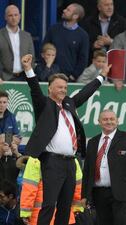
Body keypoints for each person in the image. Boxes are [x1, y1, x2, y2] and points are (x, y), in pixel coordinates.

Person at [21, 53, 109, 225]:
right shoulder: (44, 105)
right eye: (59, 87)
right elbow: (34, 89)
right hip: (52, 162)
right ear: (50, 89)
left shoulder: (69, 104)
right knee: (48, 204)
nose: (63, 90)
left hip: (71, 163)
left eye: (65, 87)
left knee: (65, 205)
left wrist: (101, 76)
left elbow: (85, 93)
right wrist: (28, 69)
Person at [82, 109, 126, 225]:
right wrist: (85, 195)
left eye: (112, 119)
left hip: (122, 194)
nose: (109, 122)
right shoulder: (92, 142)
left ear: (117, 121)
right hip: (98, 194)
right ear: (99, 121)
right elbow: (87, 171)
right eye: (105, 119)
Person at [19, 157, 83, 225]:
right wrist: (77, 208)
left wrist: (25, 213)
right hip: (65, 217)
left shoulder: (35, 159)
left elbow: (29, 188)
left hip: (40, 216)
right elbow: (78, 187)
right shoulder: (72, 159)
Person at [43, 3, 89, 82]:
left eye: (68, 10)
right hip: (50, 76)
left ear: (75, 16)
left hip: (68, 79)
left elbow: (83, 59)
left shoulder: (83, 35)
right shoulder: (53, 29)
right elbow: (44, 49)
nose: (64, 11)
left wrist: (73, 76)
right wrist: (45, 71)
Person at [0, 5, 35, 81]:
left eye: (16, 15)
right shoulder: (0, 35)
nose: (13, 18)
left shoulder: (27, 36)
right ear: (5, 17)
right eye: (10, 15)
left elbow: (31, 57)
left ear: (20, 16)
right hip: (4, 78)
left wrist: (29, 76)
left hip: (24, 78)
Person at [0, 90, 22, 185]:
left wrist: (7, 139)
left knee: (11, 187)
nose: (2, 105)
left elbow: (18, 138)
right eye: (0, 102)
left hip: (9, 157)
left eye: (4, 102)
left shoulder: (11, 116)